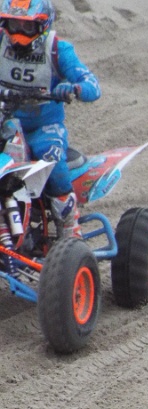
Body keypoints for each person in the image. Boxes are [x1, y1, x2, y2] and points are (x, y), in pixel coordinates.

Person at [0, 0, 101, 238]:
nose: (18, 34)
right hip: (5, 121)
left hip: (43, 127)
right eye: (13, 24)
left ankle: (68, 228)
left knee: (50, 159)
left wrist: (74, 89)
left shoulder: (57, 49)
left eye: (26, 27)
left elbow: (93, 86)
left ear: (42, 25)